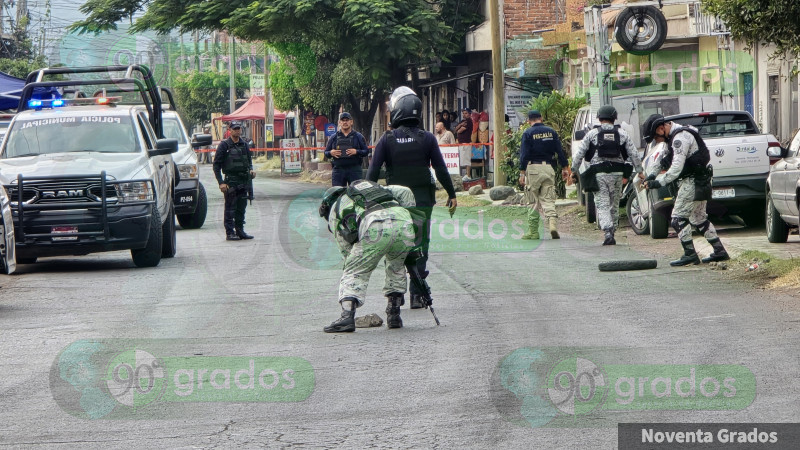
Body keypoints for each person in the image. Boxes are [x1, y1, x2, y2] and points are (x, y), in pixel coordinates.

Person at [367, 86, 457, 310]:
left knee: (396, 246)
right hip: (422, 202)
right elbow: (441, 170)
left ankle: (396, 296)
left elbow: (371, 174)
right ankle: (418, 294)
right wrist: (452, 194)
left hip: (395, 205)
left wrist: (367, 202)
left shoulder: (386, 140)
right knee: (420, 246)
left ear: (397, 111)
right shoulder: (427, 139)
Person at [319, 182, 418, 332]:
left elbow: (347, 253)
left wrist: (360, 258)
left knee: (354, 270)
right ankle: (394, 314)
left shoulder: (335, 209)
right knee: (397, 266)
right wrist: (412, 216)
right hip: (403, 221)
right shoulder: (370, 189)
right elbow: (405, 191)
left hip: (374, 226)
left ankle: (347, 316)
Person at [643, 116, 729, 266]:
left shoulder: (680, 139)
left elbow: (676, 168)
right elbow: (663, 159)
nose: (657, 141)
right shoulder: (674, 136)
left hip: (692, 182)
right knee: (699, 218)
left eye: (656, 137)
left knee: (678, 219)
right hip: (700, 181)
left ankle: (690, 254)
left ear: (661, 129)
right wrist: (651, 175)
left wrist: (658, 182)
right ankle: (719, 251)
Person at [571, 105, 643, 245]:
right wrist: (639, 171)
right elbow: (633, 154)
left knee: (602, 204)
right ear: (614, 118)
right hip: (617, 174)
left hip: (599, 175)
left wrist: (573, 170)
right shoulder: (622, 134)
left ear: (599, 118)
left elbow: (579, 154)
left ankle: (608, 231)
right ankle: (613, 229)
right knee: (614, 203)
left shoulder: (592, 134)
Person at [518, 110, 570, 240]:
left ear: (529, 121)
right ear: (541, 118)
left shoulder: (527, 133)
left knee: (532, 200)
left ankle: (533, 231)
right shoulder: (551, 132)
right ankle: (552, 223)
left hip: (533, 168)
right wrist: (564, 168)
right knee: (548, 198)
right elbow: (560, 151)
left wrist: (522, 172)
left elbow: (524, 155)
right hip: (548, 168)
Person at [213, 120, 256, 241]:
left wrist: (251, 170)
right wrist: (221, 182)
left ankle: (240, 231)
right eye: (235, 128)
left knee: (241, 207)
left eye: (239, 128)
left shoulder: (244, 144)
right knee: (230, 208)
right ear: (230, 130)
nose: (237, 130)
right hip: (230, 181)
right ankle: (230, 233)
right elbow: (216, 165)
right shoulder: (224, 145)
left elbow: (249, 161)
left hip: (243, 181)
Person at [324, 112, 369, 186]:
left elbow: (366, 151)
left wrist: (356, 151)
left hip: (354, 170)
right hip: (338, 170)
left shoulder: (358, 136)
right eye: (343, 120)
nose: (345, 122)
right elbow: (326, 152)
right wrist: (331, 153)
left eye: (347, 120)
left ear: (351, 122)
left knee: (356, 194)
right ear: (339, 122)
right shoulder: (333, 137)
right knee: (337, 194)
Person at [454, 108, 474, 174]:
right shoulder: (462, 121)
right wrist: (460, 125)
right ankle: (464, 175)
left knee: (467, 160)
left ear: (469, 114)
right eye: (463, 113)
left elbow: (459, 131)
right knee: (462, 160)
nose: (464, 114)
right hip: (461, 143)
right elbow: (456, 129)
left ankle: (468, 175)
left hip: (466, 143)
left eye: (466, 113)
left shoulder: (469, 121)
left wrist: (459, 128)